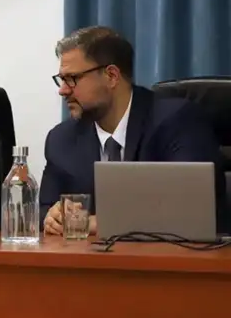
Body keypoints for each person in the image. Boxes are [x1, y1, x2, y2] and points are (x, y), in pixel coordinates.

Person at [40, 26, 224, 235]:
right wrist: (53, 217)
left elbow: (193, 207)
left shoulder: (177, 121)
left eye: (72, 79)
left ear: (111, 76)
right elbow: (43, 210)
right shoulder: (61, 139)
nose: (62, 90)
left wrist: (97, 223)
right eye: (61, 80)